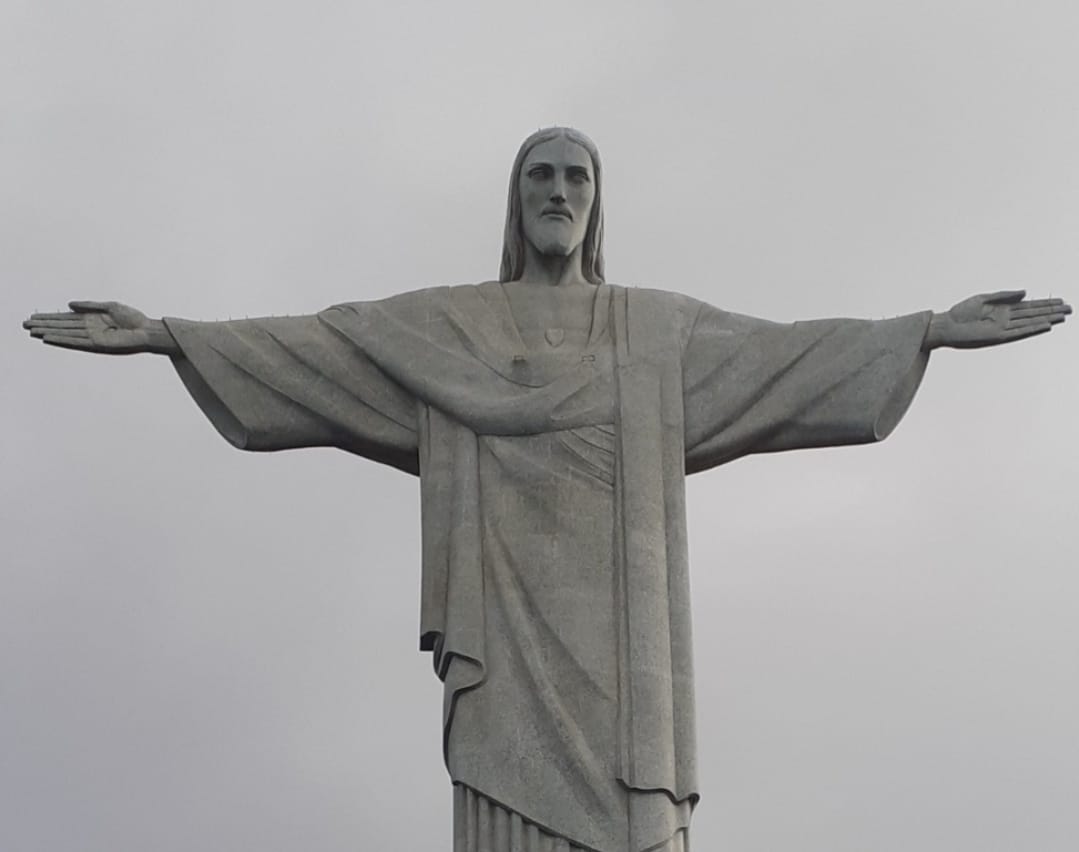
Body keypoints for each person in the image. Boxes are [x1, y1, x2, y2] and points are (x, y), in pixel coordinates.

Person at [23, 127, 1071, 852]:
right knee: (501, 790)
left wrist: (926, 330)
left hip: (627, 658)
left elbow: (787, 358)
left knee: (637, 813)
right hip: (505, 641)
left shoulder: (655, 331)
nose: (557, 193)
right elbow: (323, 350)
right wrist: (169, 336)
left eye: (575, 177)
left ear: (596, 202)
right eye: (539, 177)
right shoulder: (451, 327)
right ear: (515, 200)